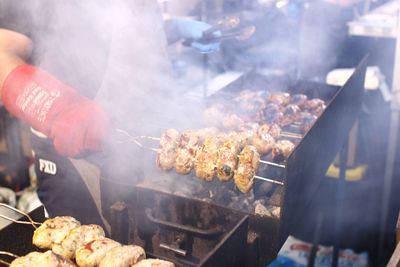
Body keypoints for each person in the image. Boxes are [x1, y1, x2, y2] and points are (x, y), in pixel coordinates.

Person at [0, 0, 218, 227]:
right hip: (83, 163)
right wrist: (60, 111)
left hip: (149, 151)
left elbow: (115, 27)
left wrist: (173, 28)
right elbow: (2, 52)